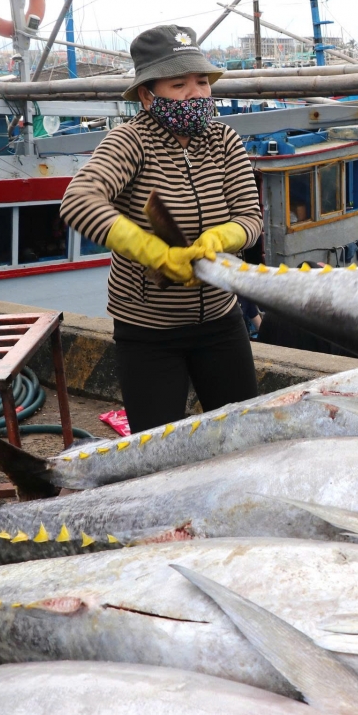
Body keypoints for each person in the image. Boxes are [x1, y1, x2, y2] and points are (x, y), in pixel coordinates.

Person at [60, 24, 262, 433]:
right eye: (179, 83)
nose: (197, 92)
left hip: (221, 320)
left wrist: (222, 238)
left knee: (244, 434)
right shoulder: (128, 142)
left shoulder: (225, 140)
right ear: (147, 94)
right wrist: (152, 252)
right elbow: (78, 201)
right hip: (148, 330)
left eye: (202, 81)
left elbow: (250, 218)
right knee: (157, 446)